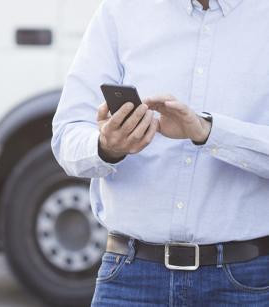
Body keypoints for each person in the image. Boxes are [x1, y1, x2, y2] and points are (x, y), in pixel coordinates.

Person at [51, 0, 269, 305]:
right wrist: (107, 146)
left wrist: (208, 131)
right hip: (129, 277)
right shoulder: (120, 11)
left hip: (245, 283)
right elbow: (66, 136)